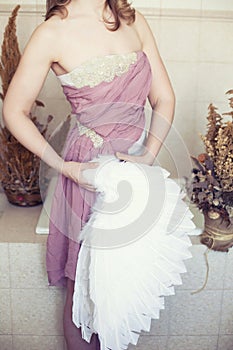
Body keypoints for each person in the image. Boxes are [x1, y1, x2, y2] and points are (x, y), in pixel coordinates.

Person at [2, 1, 196, 349]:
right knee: (85, 285)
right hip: (87, 171)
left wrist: (149, 154)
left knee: (124, 281)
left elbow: (164, 97)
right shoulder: (53, 31)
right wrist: (64, 166)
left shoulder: (131, 20)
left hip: (136, 171)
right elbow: (14, 110)